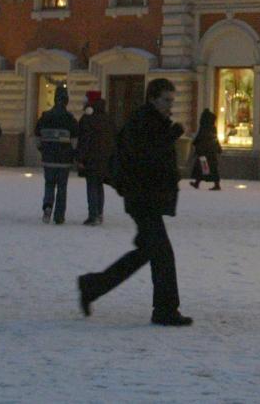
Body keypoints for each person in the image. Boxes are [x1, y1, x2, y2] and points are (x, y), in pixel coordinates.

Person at [78, 78, 192, 327]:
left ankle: (92, 286)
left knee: (147, 252)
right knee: (162, 254)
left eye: (172, 101)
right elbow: (144, 157)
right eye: (166, 100)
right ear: (152, 99)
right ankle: (165, 310)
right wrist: (171, 136)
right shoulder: (143, 122)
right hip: (142, 199)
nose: (170, 106)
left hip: (146, 198)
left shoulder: (153, 121)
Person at [35, 86, 79, 225]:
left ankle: (48, 206)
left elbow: (37, 137)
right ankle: (59, 216)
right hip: (64, 160)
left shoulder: (45, 117)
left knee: (49, 184)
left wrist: (43, 149)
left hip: (48, 159)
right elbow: (75, 141)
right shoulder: (70, 119)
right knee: (62, 187)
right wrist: (73, 153)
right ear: (66, 101)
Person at [75, 92, 114, 226]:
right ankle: (99, 213)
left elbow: (84, 140)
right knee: (99, 185)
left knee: (92, 185)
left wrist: (80, 158)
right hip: (104, 158)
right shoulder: (107, 118)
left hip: (91, 158)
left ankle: (93, 215)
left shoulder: (87, 119)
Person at [189, 108, 222, 190]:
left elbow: (200, 137)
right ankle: (198, 183)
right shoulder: (212, 127)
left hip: (204, 151)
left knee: (203, 167)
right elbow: (215, 139)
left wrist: (196, 144)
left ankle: (214, 184)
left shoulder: (204, 127)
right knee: (206, 167)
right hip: (210, 152)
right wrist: (218, 147)